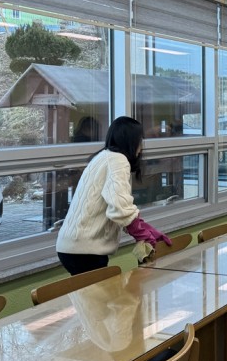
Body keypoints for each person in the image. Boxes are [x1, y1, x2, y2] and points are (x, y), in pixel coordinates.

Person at [56, 116, 171, 275]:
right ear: (132, 141)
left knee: (94, 292)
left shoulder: (104, 156)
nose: (141, 147)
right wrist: (142, 234)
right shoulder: (118, 160)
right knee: (104, 291)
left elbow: (117, 205)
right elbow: (120, 207)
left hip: (72, 246)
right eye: (140, 141)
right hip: (85, 250)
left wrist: (147, 229)